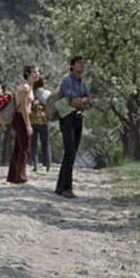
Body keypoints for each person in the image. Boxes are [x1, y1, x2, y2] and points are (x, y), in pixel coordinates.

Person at [55, 54, 90, 197]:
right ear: (72, 65)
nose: (82, 66)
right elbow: (70, 101)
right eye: (79, 63)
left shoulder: (82, 83)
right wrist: (82, 102)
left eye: (83, 63)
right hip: (67, 119)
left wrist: (81, 101)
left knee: (72, 153)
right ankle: (66, 188)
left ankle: (60, 186)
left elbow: (89, 101)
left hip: (78, 119)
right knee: (69, 152)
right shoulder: (67, 81)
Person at [7, 64, 39, 184]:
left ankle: (12, 176)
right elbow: (24, 108)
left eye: (37, 72)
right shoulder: (25, 88)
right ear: (28, 74)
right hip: (21, 117)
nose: (37, 74)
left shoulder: (28, 87)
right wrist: (28, 125)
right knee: (25, 148)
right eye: (35, 72)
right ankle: (20, 176)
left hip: (20, 117)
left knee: (18, 148)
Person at [30, 76, 52, 172]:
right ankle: (47, 165)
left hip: (33, 121)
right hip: (44, 121)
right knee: (45, 143)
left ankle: (35, 165)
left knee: (33, 144)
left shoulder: (31, 92)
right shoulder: (47, 93)